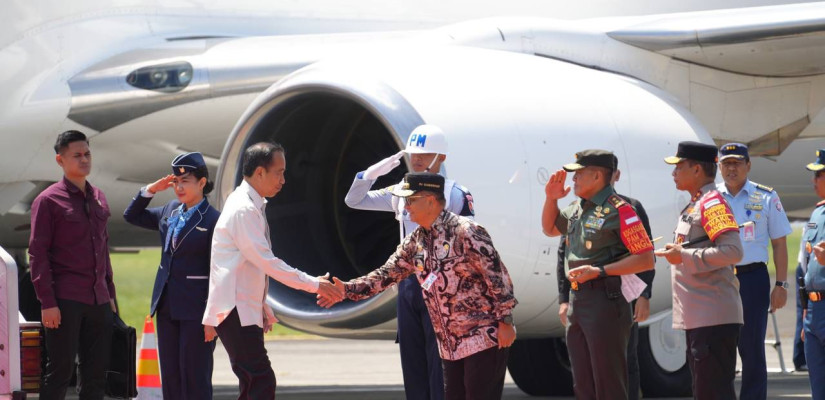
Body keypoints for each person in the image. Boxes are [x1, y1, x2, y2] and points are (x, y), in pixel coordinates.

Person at [321, 172, 516, 400]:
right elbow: (385, 275)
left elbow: (498, 277)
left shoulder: (467, 231)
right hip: (449, 347)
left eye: (411, 200)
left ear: (431, 200)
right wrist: (345, 289)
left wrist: (506, 320)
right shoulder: (416, 241)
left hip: (481, 338)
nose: (406, 207)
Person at [202, 142, 344, 399]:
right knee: (260, 381)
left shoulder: (246, 202)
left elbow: (249, 266)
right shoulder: (243, 209)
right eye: (279, 172)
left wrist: (261, 306)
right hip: (235, 309)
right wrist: (314, 284)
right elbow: (267, 262)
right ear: (259, 173)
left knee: (254, 381)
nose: (283, 180)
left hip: (240, 307)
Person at [344, 124, 473, 400]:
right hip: (409, 284)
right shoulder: (399, 193)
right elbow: (354, 200)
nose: (417, 160)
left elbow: (468, 243)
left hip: (442, 284)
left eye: (425, 155)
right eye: (414, 154)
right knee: (412, 361)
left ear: (442, 158)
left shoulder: (454, 194)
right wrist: (369, 175)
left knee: (439, 364)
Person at [542, 149, 655, 400]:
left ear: (596, 176)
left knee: (608, 383)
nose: (573, 180)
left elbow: (646, 259)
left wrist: (601, 271)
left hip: (606, 301)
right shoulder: (577, 208)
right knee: (583, 382)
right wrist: (551, 199)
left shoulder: (621, 210)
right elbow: (550, 228)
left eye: (579, 174)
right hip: (578, 301)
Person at [123, 152, 219, 399]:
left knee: (195, 377)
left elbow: (219, 272)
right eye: (176, 181)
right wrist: (151, 189)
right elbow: (131, 215)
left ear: (201, 182)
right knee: (172, 376)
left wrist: (213, 317)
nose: (178, 187)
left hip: (196, 310)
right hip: (166, 306)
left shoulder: (213, 219)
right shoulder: (171, 210)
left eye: (185, 180)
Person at [28, 130, 117, 399]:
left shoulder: (99, 196)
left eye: (87, 154)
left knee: (96, 374)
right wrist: (47, 302)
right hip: (65, 300)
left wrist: (110, 295)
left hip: (98, 300)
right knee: (60, 372)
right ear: (60, 160)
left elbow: (103, 249)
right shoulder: (47, 201)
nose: (84, 159)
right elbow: (38, 254)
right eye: (76, 155)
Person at [655, 141, 743, 400]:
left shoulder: (711, 203)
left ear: (696, 170)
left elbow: (733, 252)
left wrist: (683, 255)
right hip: (701, 316)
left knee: (712, 393)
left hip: (712, 317)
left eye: (679, 167)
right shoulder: (696, 204)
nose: (673, 173)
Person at [715, 142, 792, 400]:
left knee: (752, 349)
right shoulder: (710, 199)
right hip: (719, 279)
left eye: (737, 163)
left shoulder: (766, 196)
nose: (732, 168)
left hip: (752, 279)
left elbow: (779, 243)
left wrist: (781, 285)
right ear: (719, 166)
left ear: (748, 165)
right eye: (727, 163)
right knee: (719, 347)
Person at [800, 148, 825, 398]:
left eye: (818, 174)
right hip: (814, 312)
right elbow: (807, 265)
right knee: (818, 389)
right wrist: (806, 313)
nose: (813, 180)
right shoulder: (818, 211)